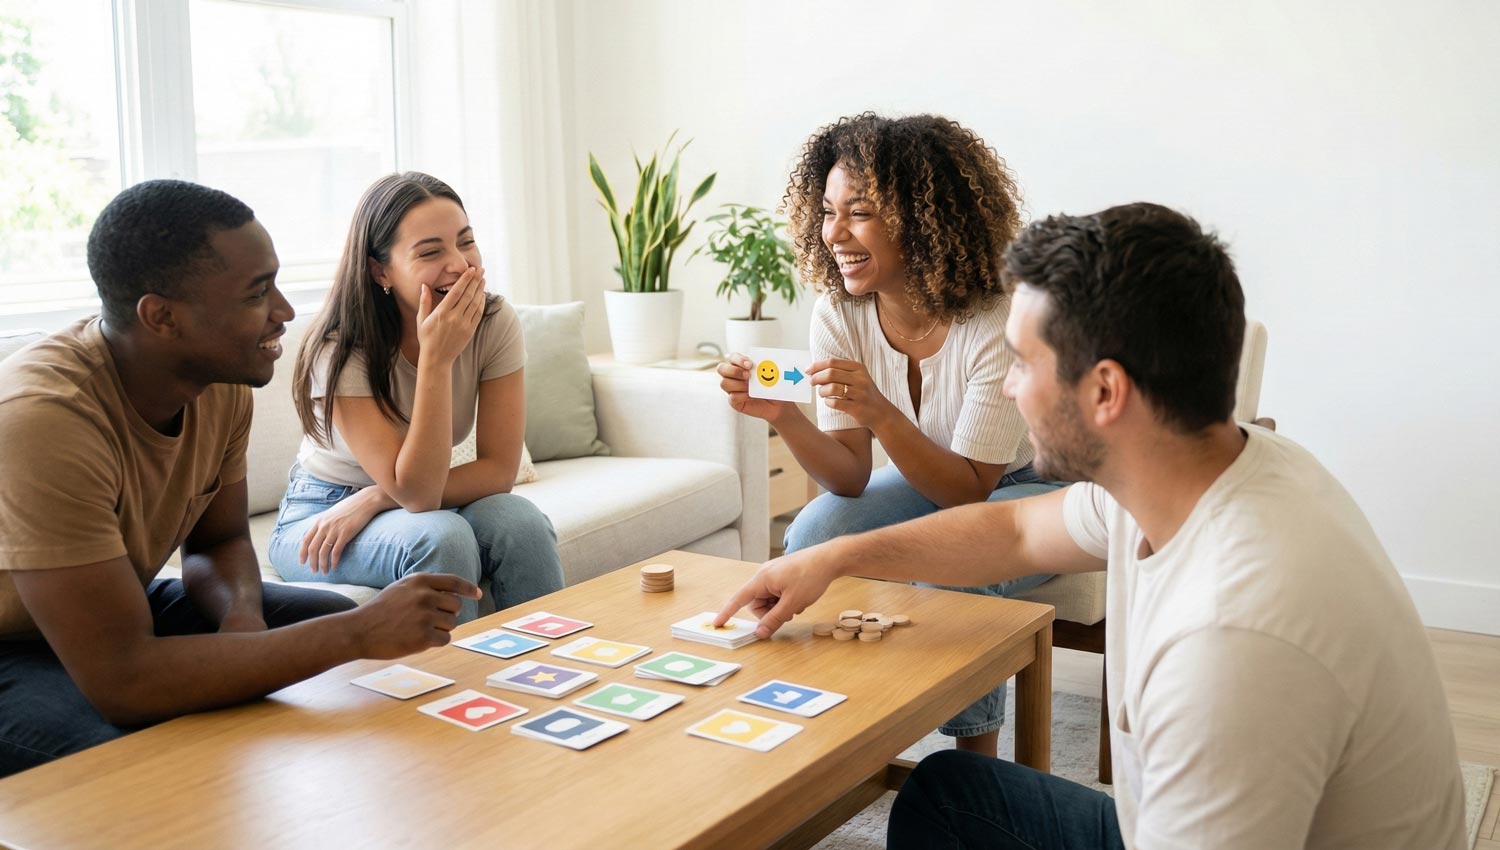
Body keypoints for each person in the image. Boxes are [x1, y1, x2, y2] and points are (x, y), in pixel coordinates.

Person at [715, 203, 1466, 849]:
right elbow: (1010, 535)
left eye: (1021, 362)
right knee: (949, 796)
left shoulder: (1233, 643)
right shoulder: (1197, 467)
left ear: (1105, 390)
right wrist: (837, 557)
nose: (1006, 385)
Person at [0, 180, 481, 778]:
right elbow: (122, 679)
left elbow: (220, 541)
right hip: (13, 644)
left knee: (317, 616)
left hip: (109, 599)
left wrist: (242, 625)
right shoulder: (41, 420)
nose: (283, 311)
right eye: (258, 294)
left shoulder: (220, 382)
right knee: (117, 757)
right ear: (162, 317)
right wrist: (355, 633)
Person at [717, 112, 1059, 755]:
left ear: (928, 222)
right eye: (826, 212)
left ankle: (973, 761)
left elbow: (966, 495)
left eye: (861, 212)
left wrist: (880, 413)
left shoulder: (995, 317)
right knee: (814, 530)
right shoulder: (839, 312)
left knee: (955, 559)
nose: (834, 234)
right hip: (939, 476)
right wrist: (784, 417)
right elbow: (848, 475)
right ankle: (817, 718)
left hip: (1031, 482)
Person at [273, 172, 563, 623]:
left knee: (519, 521)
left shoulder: (493, 320)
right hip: (323, 515)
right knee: (441, 536)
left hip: (404, 495)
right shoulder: (341, 348)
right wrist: (437, 360)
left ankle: (546, 675)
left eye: (466, 242)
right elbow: (420, 497)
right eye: (430, 252)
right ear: (379, 270)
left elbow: (498, 471)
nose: (460, 265)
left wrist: (375, 498)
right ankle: (457, 689)